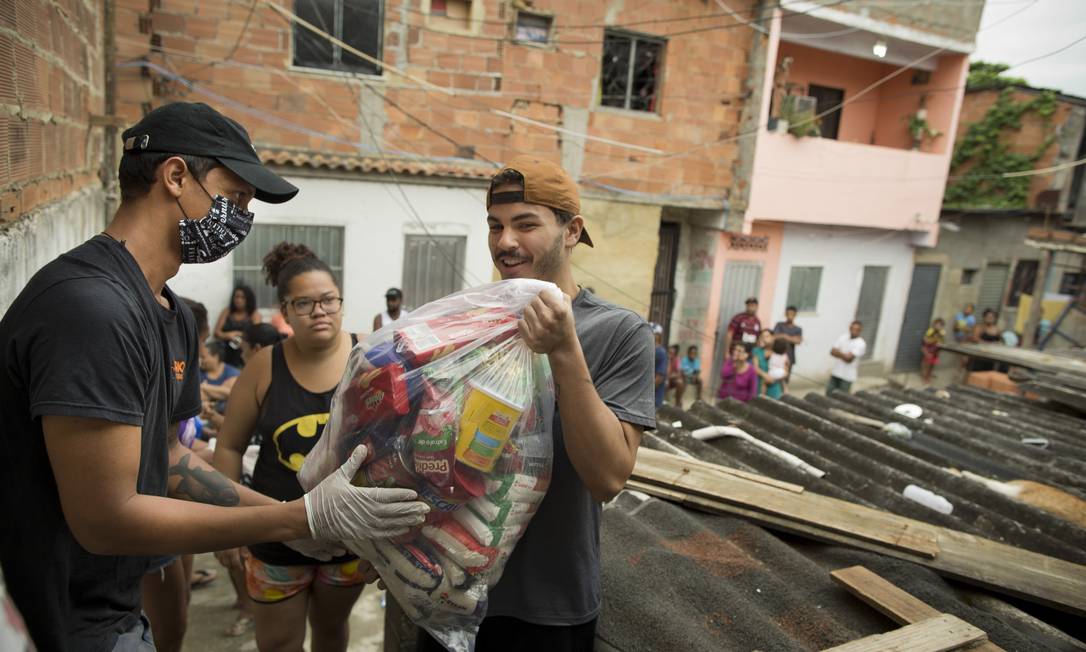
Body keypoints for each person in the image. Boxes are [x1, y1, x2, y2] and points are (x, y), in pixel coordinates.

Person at [0, 101, 428, 652]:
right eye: (236, 196)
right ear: (176, 176)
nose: (243, 217)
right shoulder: (91, 310)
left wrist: (304, 521)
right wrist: (294, 519)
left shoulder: (170, 313)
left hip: (116, 607)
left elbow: (170, 459)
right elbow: (105, 519)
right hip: (63, 622)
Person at [416, 155, 656, 651]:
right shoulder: (471, 325)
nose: (505, 242)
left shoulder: (618, 332)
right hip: (449, 590)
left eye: (526, 224)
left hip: (546, 609)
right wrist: (403, 551)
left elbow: (608, 478)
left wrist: (565, 350)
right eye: (495, 226)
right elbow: (427, 454)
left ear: (572, 232)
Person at [213, 243, 376, 651]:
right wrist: (225, 525)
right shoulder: (264, 365)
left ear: (341, 302)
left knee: (331, 632)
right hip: (273, 535)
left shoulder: (371, 355)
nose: (319, 311)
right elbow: (229, 446)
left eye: (328, 300)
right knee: (278, 642)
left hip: (349, 538)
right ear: (284, 312)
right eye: (303, 303)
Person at [214, 284, 262, 368]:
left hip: (243, 352)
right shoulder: (227, 312)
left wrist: (241, 335)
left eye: (242, 297)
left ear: (248, 299)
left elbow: (257, 335)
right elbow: (217, 333)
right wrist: (229, 335)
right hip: (225, 352)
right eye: (236, 297)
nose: (238, 300)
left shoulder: (254, 314)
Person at [828, 320, 866, 394]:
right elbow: (832, 351)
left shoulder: (861, 343)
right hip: (836, 373)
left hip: (848, 376)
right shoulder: (843, 337)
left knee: (842, 397)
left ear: (860, 331)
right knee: (829, 393)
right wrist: (844, 355)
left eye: (856, 329)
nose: (853, 331)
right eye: (852, 328)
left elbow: (848, 359)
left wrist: (838, 353)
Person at [772, 305, 803, 379]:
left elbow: (798, 341)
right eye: (788, 313)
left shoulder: (798, 329)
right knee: (774, 375)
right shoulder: (779, 325)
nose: (790, 316)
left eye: (792, 314)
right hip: (776, 355)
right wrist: (791, 338)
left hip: (789, 356)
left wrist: (784, 336)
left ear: (795, 315)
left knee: (785, 377)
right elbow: (774, 337)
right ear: (785, 314)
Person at [920, 317, 945, 384]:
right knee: (926, 364)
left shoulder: (941, 333)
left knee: (932, 365)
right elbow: (925, 340)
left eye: (940, 325)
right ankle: (925, 377)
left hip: (935, 352)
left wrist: (939, 343)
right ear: (934, 324)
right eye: (936, 324)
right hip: (928, 350)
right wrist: (933, 341)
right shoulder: (930, 331)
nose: (938, 326)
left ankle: (928, 376)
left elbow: (942, 342)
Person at [652, 323, 668, 408]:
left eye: (655, 333)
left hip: (654, 397)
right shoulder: (648, 349)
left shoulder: (660, 352)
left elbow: (659, 378)